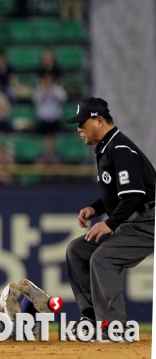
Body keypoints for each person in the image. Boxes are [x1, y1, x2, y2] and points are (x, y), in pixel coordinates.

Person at [65, 97, 155, 341]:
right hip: (136, 218)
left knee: (103, 258)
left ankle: (115, 327)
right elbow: (120, 194)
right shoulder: (106, 148)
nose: (79, 128)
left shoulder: (120, 148)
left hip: (149, 219)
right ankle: (93, 318)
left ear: (99, 121)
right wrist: (95, 209)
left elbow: (134, 194)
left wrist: (110, 223)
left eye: (83, 122)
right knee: (78, 250)